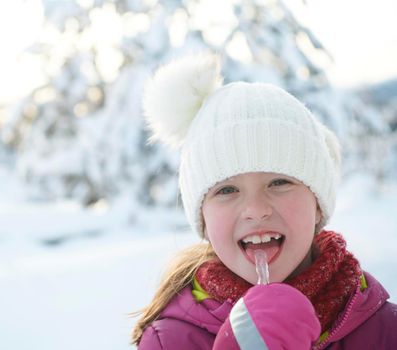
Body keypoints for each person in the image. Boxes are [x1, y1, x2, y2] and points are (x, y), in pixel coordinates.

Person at [131, 54, 397, 349]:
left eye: (279, 182)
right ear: (203, 218)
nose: (256, 210)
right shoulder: (170, 342)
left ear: (318, 202)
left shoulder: (384, 329)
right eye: (227, 190)